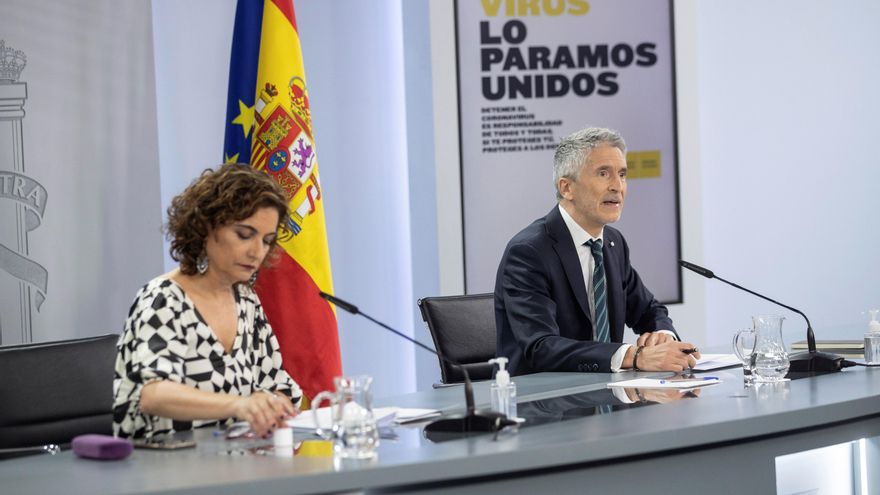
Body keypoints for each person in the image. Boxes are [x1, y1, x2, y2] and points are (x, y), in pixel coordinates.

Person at [112, 163, 302, 439]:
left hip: (234, 466)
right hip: (160, 469)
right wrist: (240, 405)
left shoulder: (247, 302)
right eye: (244, 235)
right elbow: (154, 394)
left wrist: (277, 404)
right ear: (206, 227)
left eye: (267, 240)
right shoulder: (163, 299)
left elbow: (276, 384)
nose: (257, 252)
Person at [495, 127, 700, 375]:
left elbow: (649, 310)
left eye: (622, 174)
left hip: (604, 393)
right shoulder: (529, 252)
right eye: (604, 174)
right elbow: (542, 347)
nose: (617, 186)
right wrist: (634, 356)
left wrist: (662, 335)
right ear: (567, 188)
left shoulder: (613, 243)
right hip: (541, 402)